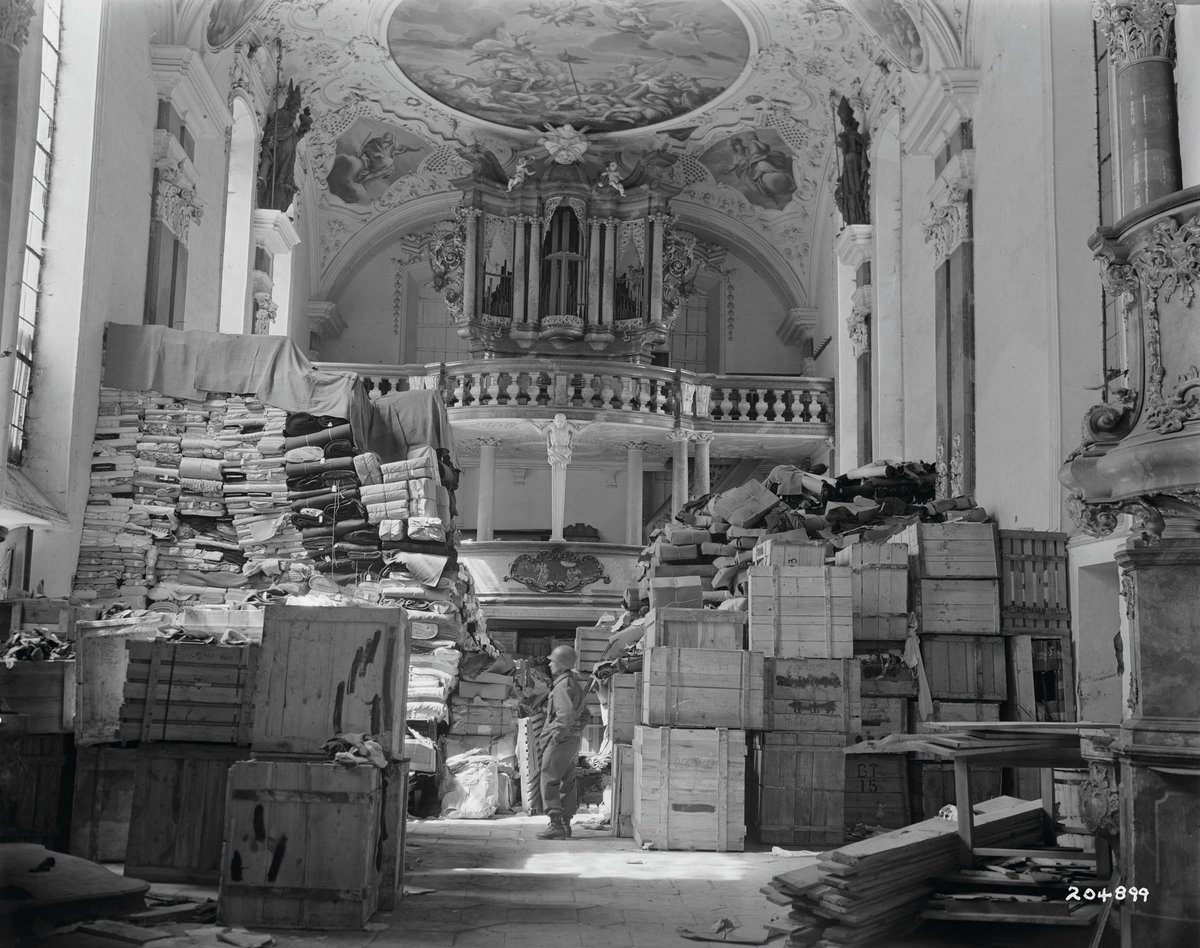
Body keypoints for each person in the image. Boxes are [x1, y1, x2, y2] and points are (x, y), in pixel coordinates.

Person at [536, 644, 591, 840]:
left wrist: (558, 736)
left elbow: (565, 715)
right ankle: (565, 824)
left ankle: (555, 825)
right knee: (567, 781)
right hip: (572, 741)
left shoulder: (561, 686)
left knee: (549, 779)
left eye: (553, 661)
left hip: (560, 741)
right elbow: (585, 714)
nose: (550, 664)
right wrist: (574, 731)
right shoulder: (573, 684)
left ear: (561, 664)